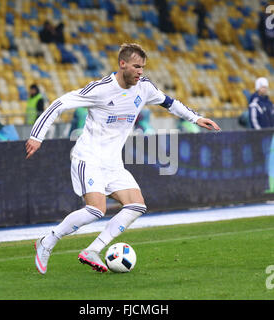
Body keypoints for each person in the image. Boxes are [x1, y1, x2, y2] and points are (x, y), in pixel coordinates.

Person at [26, 43, 220, 274]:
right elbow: (59, 105)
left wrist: (196, 119)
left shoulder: (144, 87)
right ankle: (47, 241)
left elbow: (170, 103)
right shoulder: (100, 89)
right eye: (136, 66)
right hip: (88, 158)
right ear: (122, 64)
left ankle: (92, 250)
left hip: (112, 162)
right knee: (96, 209)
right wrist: (37, 136)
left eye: (143, 67)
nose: (140, 71)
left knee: (137, 205)